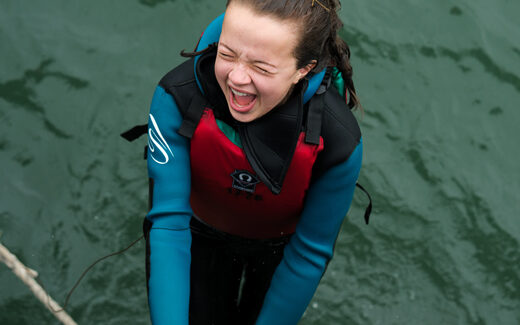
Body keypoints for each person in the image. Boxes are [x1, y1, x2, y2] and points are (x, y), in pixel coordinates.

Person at [144, 0, 364, 324]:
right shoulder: (177, 96)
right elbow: (168, 223)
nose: (236, 79)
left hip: (280, 251)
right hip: (196, 234)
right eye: (227, 54)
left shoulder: (338, 141)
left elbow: (308, 254)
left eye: (261, 68)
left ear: (304, 68)